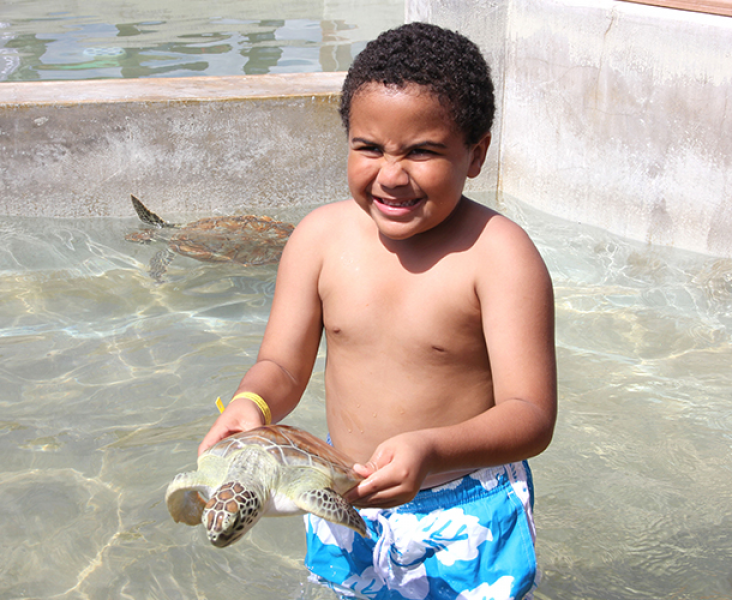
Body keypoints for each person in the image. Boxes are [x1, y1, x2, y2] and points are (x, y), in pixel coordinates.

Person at [198, 22, 557, 600]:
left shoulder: (499, 256)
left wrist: (430, 448)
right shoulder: (318, 239)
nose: (391, 175)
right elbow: (283, 367)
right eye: (369, 147)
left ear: (476, 154)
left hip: (464, 511)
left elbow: (531, 414)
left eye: (423, 151)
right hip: (340, 496)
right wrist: (253, 402)